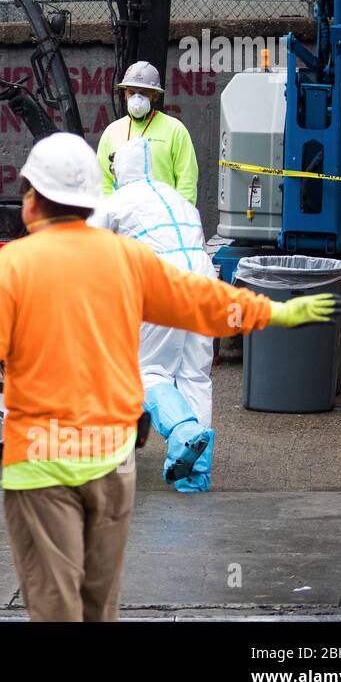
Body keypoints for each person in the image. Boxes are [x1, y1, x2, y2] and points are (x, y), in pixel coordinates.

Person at [0, 132, 341, 621]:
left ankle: (182, 436)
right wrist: (275, 313)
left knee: (55, 603)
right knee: (99, 604)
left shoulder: (17, 263)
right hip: (111, 461)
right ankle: (191, 455)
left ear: (36, 201)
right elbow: (206, 304)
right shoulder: (132, 255)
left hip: (40, 464)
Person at [89, 137, 216, 492]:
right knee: (194, 376)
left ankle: (184, 432)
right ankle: (194, 474)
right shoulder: (176, 198)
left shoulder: (116, 201)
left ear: (119, 170)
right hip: (204, 279)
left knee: (146, 370)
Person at [96, 61, 199, 204]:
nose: (136, 99)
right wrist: (108, 215)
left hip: (163, 219)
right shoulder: (112, 132)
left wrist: (180, 215)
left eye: (143, 93)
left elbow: (186, 180)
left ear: (155, 96)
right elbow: (103, 182)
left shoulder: (175, 130)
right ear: (125, 94)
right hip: (122, 220)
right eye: (131, 92)